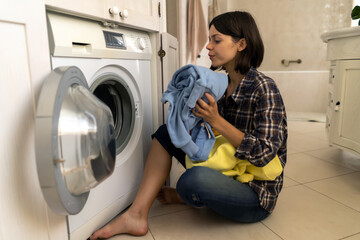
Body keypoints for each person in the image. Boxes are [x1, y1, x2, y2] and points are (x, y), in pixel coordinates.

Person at [89, 11, 287, 239]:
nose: (209, 47)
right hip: (226, 168)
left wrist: (216, 120)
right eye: (209, 39)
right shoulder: (219, 84)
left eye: (216, 40)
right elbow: (210, 138)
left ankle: (185, 196)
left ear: (241, 44)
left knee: (192, 181)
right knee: (166, 133)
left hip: (254, 194)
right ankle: (136, 214)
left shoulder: (264, 88)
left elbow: (264, 153)